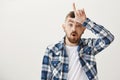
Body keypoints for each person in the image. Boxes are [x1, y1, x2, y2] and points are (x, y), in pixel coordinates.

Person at [41, 3, 114, 80]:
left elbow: (108, 38)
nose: (74, 29)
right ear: (64, 27)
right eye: (70, 25)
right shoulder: (51, 50)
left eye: (78, 25)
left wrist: (85, 21)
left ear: (83, 29)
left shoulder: (89, 46)